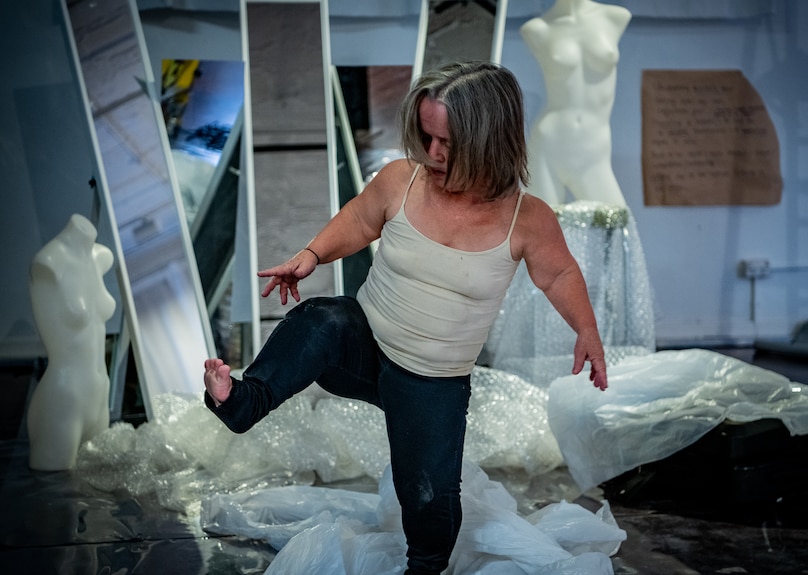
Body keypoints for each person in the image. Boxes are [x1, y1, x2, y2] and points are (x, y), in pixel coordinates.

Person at [204, 61, 607, 575]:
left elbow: (559, 276)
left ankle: (426, 568)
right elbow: (359, 218)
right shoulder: (403, 179)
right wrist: (312, 255)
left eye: (448, 142)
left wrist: (587, 332)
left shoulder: (527, 218)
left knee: (427, 497)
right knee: (319, 319)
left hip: (432, 382)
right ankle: (243, 402)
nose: (433, 153)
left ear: (489, 140)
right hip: (365, 346)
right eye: (426, 136)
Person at [521, 0, 631, 207]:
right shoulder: (537, 29)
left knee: (617, 228)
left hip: (593, 147)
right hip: (549, 143)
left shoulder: (615, 17)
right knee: (541, 234)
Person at [28, 214, 116, 470]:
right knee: (55, 497)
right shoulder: (49, 262)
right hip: (65, 396)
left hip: (100, 392)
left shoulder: (99, 257)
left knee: (99, 495)